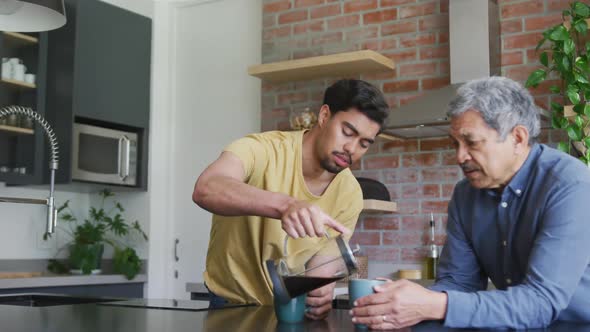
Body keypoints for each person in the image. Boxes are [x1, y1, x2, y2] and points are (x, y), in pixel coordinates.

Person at [350, 76, 590, 329]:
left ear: (517, 138)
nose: (460, 156)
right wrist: (399, 311)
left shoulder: (570, 186)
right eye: (455, 143)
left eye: (472, 142)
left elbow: (541, 303)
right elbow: (458, 283)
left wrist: (432, 304)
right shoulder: (466, 195)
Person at [192, 79, 389, 319]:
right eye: (348, 132)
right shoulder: (261, 149)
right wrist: (286, 205)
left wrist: (320, 294)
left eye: (365, 144)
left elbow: (322, 267)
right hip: (230, 306)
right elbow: (206, 188)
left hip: (289, 312)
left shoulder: (350, 193)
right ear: (325, 115)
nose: (352, 148)